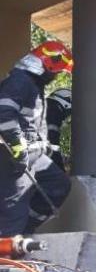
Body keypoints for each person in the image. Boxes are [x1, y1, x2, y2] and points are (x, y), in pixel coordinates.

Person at [0, 42, 74, 235]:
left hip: (32, 153)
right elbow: (4, 113)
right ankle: (6, 258)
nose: (56, 76)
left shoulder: (33, 85)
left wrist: (43, 145)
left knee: (58, 185)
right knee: (14, 207)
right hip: (11, 154)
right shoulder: (20, 81)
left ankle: (22, 232)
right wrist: (17, 145)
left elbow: (29, 122)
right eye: (56, 72)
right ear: (48, 65)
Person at [45, 87, 71, 169]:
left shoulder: (45, 106)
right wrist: (60, 168)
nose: (64, 118)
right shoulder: (54, 111)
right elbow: (52, 142)